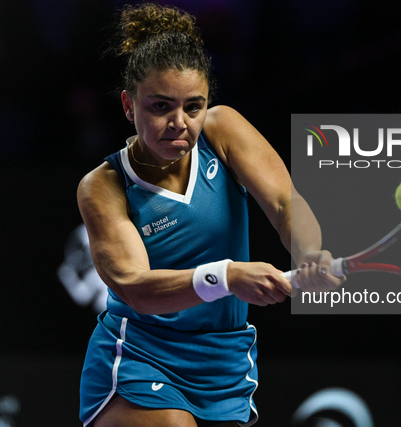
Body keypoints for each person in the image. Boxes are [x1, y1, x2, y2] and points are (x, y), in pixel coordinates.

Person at [76, 3, 343, 427]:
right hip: (142, 355)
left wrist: (309, 252)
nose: (178, 122)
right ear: (129, 106)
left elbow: (284, 203)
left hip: (225, 358)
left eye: (193, 106)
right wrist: (229, 276)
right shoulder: (103, 185)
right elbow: (135, 288)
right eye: (160, 106)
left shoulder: (223, 131)